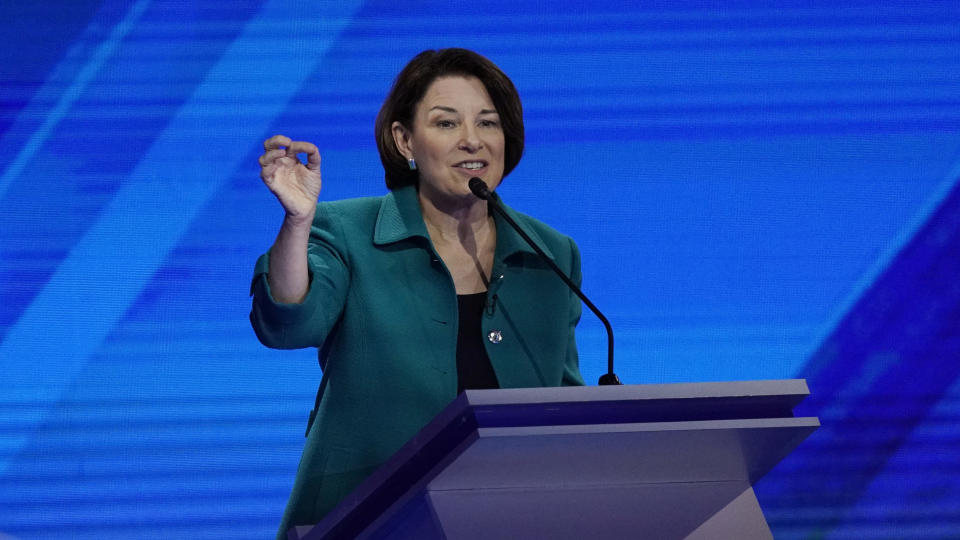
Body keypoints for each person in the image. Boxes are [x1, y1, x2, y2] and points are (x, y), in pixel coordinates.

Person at [250, 48, 585, 538]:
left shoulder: (549, 252)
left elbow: (563, 400)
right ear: (404, 139)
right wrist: (298, 222)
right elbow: (288, 322)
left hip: (508, 521)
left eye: (488, 123)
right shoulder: (346, 231)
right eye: (447, 124)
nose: (473, 140)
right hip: (365, 521)